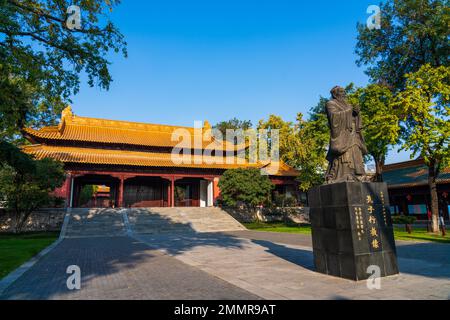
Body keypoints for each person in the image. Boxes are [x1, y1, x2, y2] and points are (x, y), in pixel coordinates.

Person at [325, 86, 368, 183]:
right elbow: (334, 117)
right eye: (341, 92)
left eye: (344, 91)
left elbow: (353, 115)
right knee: (345, 156)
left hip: (353, 133)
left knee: (356, 151)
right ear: (335, 94)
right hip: (343, 135)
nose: (344, 93)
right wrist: (350, 111)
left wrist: (356, 113)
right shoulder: (330, 103)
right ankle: (344, 175)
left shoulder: (347, 104)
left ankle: (359, 174)